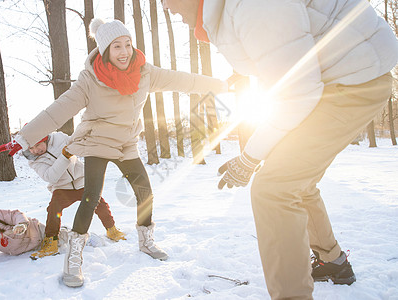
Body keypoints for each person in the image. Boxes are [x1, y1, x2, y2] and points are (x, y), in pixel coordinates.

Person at [162, 0, 398, 299]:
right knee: (293, 179)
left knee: (273, 189)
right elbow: (282, 46)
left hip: (354, 81)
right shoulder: (233, 10)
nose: (166, 7)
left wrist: (248, 159)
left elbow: (297, 94)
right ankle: (332, 261)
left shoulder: (252, 6)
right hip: (340, 77)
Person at [0, 18, 229, 287]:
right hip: (96, 141)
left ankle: (146, 241)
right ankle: (73, 260)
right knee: (91, 196)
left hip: (126, 142)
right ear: (105, 50)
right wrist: (25, 138)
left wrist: (221, 84)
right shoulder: (89, 80)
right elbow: (57, 110)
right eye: (117, 46)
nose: (124, 51)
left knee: (145, 192)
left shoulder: (145, 72)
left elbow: (182, 80)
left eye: (128, 44)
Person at [19, 131, 126, 260]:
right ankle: (51, 242)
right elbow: (50, 177)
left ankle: (111, 229)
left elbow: (78, 144)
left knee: (99, 204)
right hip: (62, 187)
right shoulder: (34, 161)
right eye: (31, 148)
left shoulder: (59, 138)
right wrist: (64, 156)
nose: (36, 150)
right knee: (54, 209)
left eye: (38, 145)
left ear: (45, 138)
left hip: (82, 181)